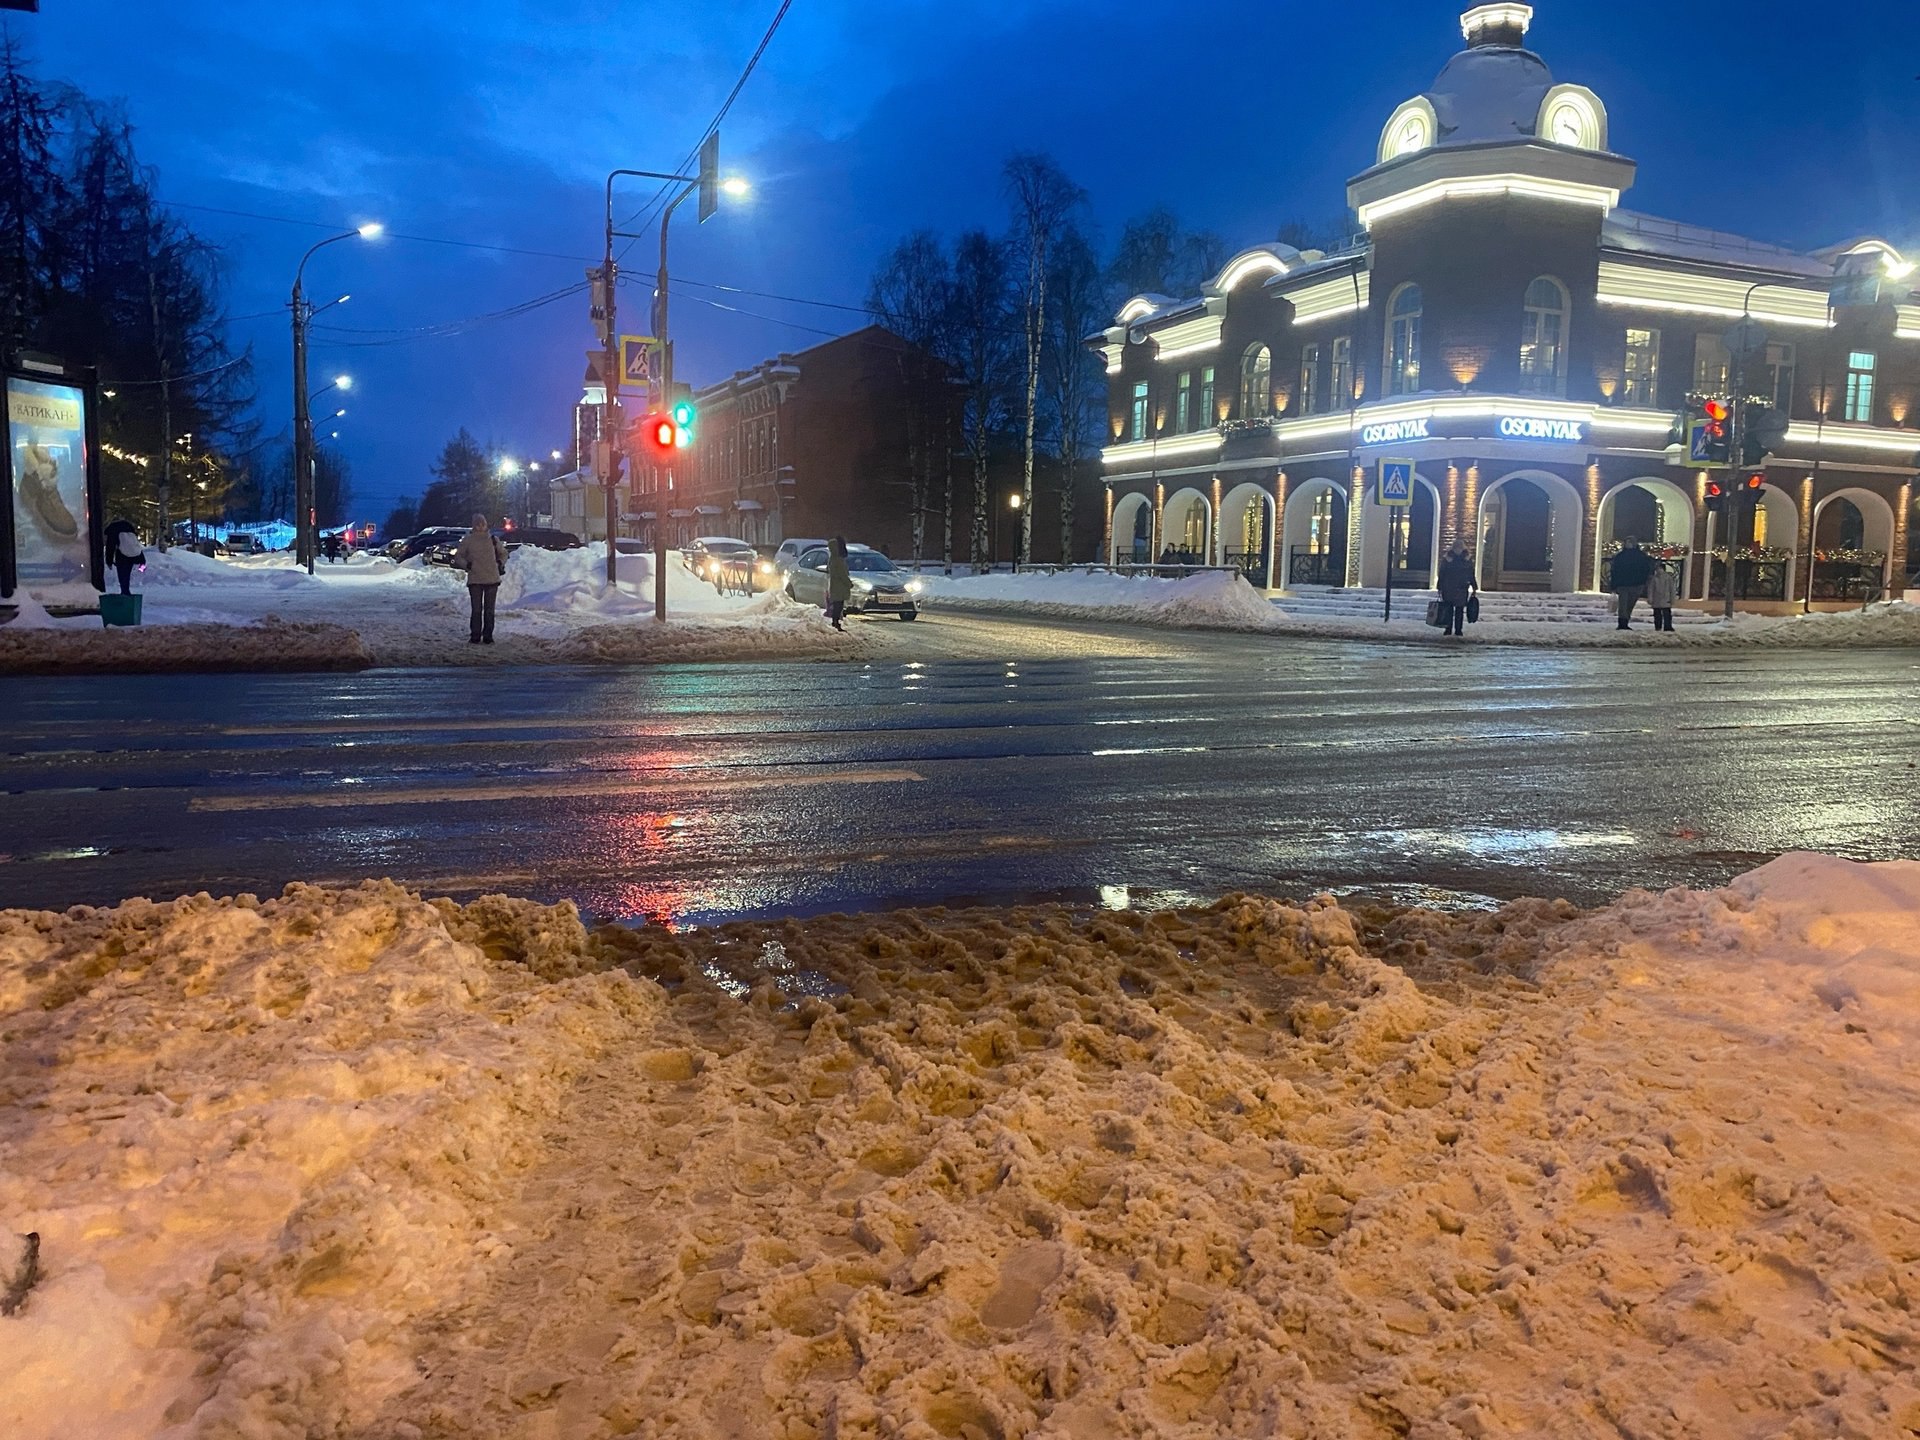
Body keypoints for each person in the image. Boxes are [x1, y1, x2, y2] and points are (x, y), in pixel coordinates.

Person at [451, 512, 507, 644]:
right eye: (478, 524)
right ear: (474, 526)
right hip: (475, 579)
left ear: (486, 524)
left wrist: (499, 563)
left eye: (483, 523)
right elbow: (458, 557)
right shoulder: (468, 540)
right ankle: (475, 635)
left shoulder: (493, 539)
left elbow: (503, 553)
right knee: (476, 609)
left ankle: (488, 635)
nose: (481, 526)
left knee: (489, 610)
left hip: (492, 578)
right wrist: (467, 565)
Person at [1610, 537, 1654, 630]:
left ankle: (1625, 620)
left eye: (1629, 542)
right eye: (1626, 542)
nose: (1628, 544)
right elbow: (1614, 571)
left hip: (1636, 584)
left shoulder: (1640, 556)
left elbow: (1646, 569)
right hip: (1624, 584)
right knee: (1623, 604)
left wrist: (1643, 581)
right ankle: (1622, 622)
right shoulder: (1622, 556)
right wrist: (1614, 585)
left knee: (1630, 604)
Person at [1435, 545, 1477, 637]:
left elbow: (1442, 573)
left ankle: (1448, 629)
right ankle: (1458, 630)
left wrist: (1439, 586)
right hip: (1462, 587)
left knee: (1448, 609)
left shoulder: (1447, 559)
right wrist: (1474, 586)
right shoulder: (1467, 559)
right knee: (1459, 610)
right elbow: (1471, 574)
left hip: (1448, 587)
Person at [103, 517, 144, 596]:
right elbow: (134, 544)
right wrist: (142, 561)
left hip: (121, 555)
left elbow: (110, 546)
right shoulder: (129, 527)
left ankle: (125, 592)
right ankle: (126, 591)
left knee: (122, 574)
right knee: (127, 574)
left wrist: (109, 561)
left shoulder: (113, 529)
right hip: (133, 555)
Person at [825, 535, 852, 631]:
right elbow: (842, 574)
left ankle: (835, 622)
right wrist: (849, 584)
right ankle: (835, 622)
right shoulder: (838, 560)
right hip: (840, 586)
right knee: (838, 605)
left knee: (837, 604)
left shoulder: (832, 559)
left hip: (835, 585)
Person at [1646, 558, 1679, 633]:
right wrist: (1650, 598)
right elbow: (1651, 589)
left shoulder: (1668, 578)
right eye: (1657, 569)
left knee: (1666, 614)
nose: (1658, 570)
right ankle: (1658, 626)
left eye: (1660, 568)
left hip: (1665, 599)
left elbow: (1672, 589)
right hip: (1657, 599)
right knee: (1657, 614)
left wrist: (1672, 599)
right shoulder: (1654, 579)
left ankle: (1667, 626)